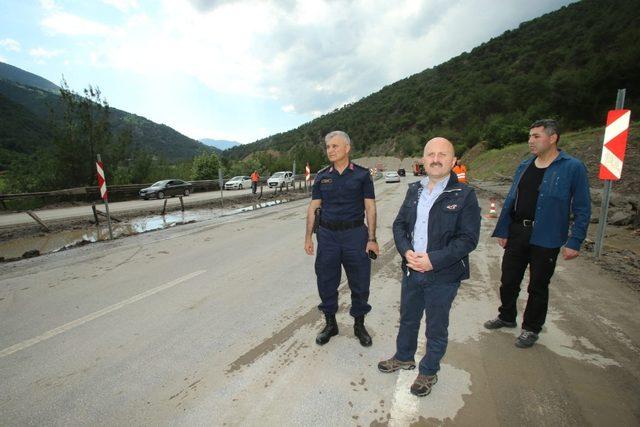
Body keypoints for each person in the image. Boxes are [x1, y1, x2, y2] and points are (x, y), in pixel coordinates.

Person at [378, 137, 481, 397]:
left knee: (436, 326)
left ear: (453, 161)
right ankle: (403, 357)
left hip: (443, 276)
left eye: (442, 154)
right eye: (431, 154)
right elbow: (400, 225)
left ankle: (428, 371)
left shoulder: (464, 194)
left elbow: (468, 239)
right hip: (412, 270)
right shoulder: (414, 190)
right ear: (423, 160)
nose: (436, 159)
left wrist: (433, 259)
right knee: (409, 319)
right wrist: (406, 252)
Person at [484, 119, 591, 348]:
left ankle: (531, 328)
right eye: (530, 136)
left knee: (538, 286)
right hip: (517, 232)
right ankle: (506, 316)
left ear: (553, 138)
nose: (530, 141)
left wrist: (575, 240)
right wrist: (504, 228)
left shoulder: (572, 167)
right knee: (508, 280)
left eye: (536, 136)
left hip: (547, 236)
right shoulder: (524, 165)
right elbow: (512, 199)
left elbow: (582, 207)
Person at [304, 131, 380, 347]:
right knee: (326, 280)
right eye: (328, 147)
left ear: (347, 148)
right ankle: (330, 324)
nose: (330, 150)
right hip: (327, 236)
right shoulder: (322, 176)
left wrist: (372, 238)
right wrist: (308, 236)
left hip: (355, 235)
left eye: (335, 146)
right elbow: (313, 207)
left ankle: (359, 324)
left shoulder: (362, 175)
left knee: (360, 281)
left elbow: (370, 207)